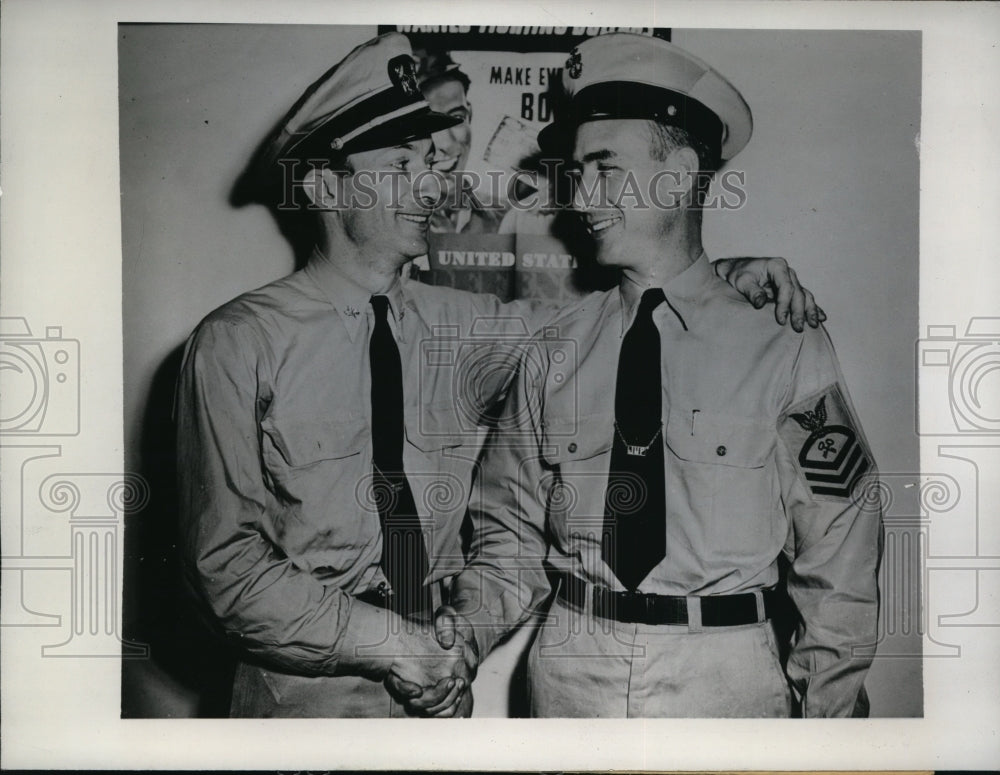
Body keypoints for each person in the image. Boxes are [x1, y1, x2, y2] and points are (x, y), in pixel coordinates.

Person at [176, 31, 829, 719]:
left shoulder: (478, 328)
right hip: (300, 694)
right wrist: (393, 643)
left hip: (440, 683)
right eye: (401, 166)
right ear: (320, 185)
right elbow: (225, 567)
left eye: (431, 162)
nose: (432, 185)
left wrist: (716, 280)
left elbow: (627, 321)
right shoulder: (237, 343)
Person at [440, 33, 883, 718]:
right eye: (577, 170)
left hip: (726, 678)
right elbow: (508, 535)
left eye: (604, 168)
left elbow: (842, 554)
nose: (579, 195)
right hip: (568, 674)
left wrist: (825, 719)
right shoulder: (552, 349)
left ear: (676, 176)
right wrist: (458, 638)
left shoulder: (780, 340)